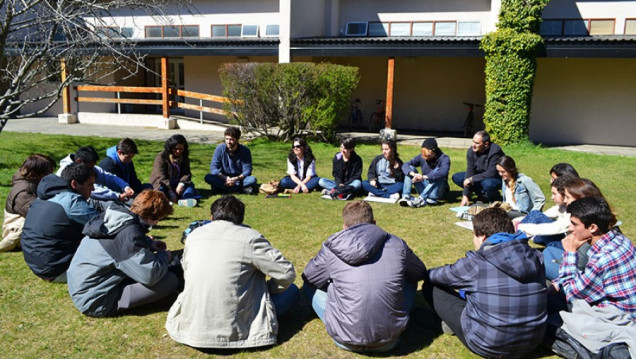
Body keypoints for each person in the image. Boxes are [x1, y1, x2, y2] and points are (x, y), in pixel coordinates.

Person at [166, 195, 299, 349]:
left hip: (191, 326)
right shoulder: (250, 237)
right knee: (293, 291)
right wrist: (271, 289)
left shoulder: (193, 236)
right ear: (241, 220)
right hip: (235, 329)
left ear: (211, 216)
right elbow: (286, 273)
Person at [423, 207, 547, 358]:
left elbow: (435, 276)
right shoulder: (535, 256)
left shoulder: (477, 263)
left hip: (488, 345)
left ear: (482, 236)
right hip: (532, 342)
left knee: (431, 287)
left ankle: (447, 325)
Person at [302, 201, 426, 352]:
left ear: (344, 227)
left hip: (344, 338)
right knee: (410, 279)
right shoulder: (397, 243)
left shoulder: (332, 246)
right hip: (389, 339)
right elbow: (419, 272)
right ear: (374, 223)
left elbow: (309, 277)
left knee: (309, 287)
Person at [67, 190, 179, 317]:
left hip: (82, 288)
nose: (158, 223)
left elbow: (118, 244)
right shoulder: (129, 235)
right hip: (96, 301)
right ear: (151, 217)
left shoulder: (116, 217)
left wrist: (147, 243)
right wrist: (165, 256)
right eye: (159, 219)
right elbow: (150, 275)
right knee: (170, 280)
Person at [552, 196, 636, 320]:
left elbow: (570, 294)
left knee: (548, 300)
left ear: (593, 227)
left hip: (617, 319)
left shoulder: (602, 259)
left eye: (574, 224)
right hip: (628, 309)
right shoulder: (621, 240)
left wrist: (570, 252)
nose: (570, 228)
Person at [21, 163, 100, 282]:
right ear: (74, 184)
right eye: (90, 184)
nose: (93, 189)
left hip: (38, 265)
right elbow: (103, 226)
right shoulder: (71, 202)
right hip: (59, 270)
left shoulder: (43, 198)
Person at [541, 177, 608, 280]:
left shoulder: (597, 242)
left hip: (579, 272)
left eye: (567, 197)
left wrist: (570, 252)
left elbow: (576, 285)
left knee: (536, 263)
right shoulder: (596, 220)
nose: (565, 200)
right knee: (548, 251)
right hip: (577, 264)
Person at [1, 154, 55, 252]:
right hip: (15, 230)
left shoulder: (33, 184)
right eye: (48, 174)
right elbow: (37, 214)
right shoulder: (23, 191)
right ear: (34, 174)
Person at [57, 146, 135, 202]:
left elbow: (108, 177)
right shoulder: (65, 172)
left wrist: (125, 187)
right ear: (79, 161)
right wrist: (117, 196)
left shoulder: (86, 166)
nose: (92, 169)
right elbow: (93, 191)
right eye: (90, 167)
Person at [452, 130, 505, 206]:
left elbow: (491, 173)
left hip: (495, 178)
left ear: (486, 144)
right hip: (479, 175)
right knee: (457, 177)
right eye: (473, 141)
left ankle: (495, 198)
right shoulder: (471, 151)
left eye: (477, 143)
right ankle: (482, 194)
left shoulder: (495, 151)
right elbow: (470, 171)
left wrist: (472, 179)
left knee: (488, 183)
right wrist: (465, 196)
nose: (473, 145)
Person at [204, 127, 258, 195]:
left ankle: (221, 188)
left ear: (237, 140)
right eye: (226, 139)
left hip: (238, 179)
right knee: (208, 177)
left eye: (231, 139)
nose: (228, 142)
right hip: (223, 177)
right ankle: (240, 188)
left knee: (252, 179)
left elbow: (247, 170)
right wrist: (225, 178)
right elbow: (213, 167)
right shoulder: (220, 148)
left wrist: (236, 179)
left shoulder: (245, 151)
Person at [398, 138, 450, 208]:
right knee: (410, 168)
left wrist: (424, 177)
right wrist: (413, 174)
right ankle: (406, 196)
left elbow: (443, 172)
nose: (425, 158)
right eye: (423, 155)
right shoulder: (421, 157)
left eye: (427, 156)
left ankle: (421, 198)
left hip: (437, 190)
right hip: (424, 186)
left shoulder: (444, 158)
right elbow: (405, 165)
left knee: (438, 172)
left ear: (433, 151)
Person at [149, 134, 197, 205]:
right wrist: (170, 192)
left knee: (190, 186)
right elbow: (161, 177)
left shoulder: (184, 157)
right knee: (160, 191)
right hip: (163, 184)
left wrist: (181, 184)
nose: (178, 151)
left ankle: (186, 198)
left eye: (181, 149)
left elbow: (186, 173)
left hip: (177, 184)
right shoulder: (161, 157)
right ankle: (165, 200)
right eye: (176, 149)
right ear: (171, 147)